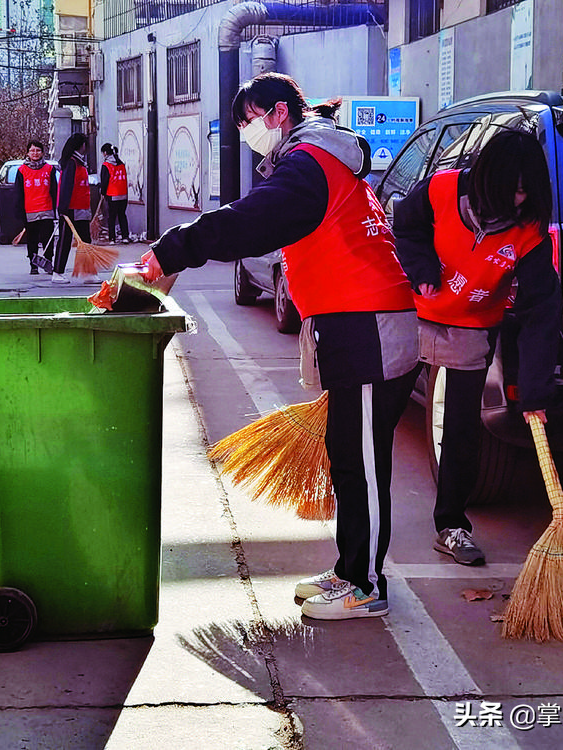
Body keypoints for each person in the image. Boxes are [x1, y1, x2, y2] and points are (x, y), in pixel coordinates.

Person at [140, 72, 419, 621]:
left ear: (277, 115)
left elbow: (255, 221)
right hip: (354, 325)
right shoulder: (321, 155)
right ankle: (349, 570)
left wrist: (177, 248)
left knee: (362, 462)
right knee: (347, 455)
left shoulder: (309, 160)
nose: (246, 132)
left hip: (369, 327)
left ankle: (366, 586)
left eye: (247, 121)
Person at [393, 128, 561, 566]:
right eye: (512, 190)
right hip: (411, 315)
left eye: (527, 192)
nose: (519, 201)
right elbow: (404, 227)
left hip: (471, 329)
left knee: (463, 431)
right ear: (488, 177)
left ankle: (451, 526)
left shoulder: (530, 232)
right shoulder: (441, 189)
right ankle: (361, 514)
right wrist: (422, 266)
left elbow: (542, 310)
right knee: (379, 417)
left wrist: (534, 387)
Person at [15, 139, 57, 274]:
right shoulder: (22, 170)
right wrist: (20, 212)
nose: (35, 153)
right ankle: (33, 266)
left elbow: (55, 190)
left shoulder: (49, 169)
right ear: (27, 153)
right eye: (32, 150)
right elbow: (18, 193)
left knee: (47, 238)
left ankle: (48, 262)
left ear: (43, 152)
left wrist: (58, 209)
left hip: (46, 209)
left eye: (38, 150)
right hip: (30, 211)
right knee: (32, 239)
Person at [54, 132, 91, 284]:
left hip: (82, 209)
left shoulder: (80, 163)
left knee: (86, 241)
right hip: (70, 209)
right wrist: (63, 209)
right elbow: (66, 187)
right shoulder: (71, 163)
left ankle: (89, 273)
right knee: (64, 241)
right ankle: (57, 272)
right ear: (81, 146)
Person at [100, 142, 130, 244]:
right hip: (123, 194)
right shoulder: (121, 164)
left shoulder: (106, 165)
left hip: (112, 194)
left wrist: (103, 193)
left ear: (105, 153)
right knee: (122, 215)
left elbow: (104, 181)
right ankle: (125, 237)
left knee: (111, 217)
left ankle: (112, 239)